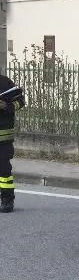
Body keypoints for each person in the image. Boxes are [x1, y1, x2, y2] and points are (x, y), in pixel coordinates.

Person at [0, 74, 26, 213]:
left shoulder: (5, 82)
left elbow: (21, 101)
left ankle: (7, 199)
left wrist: (6, 106)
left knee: (4, 171)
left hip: (3, 139)